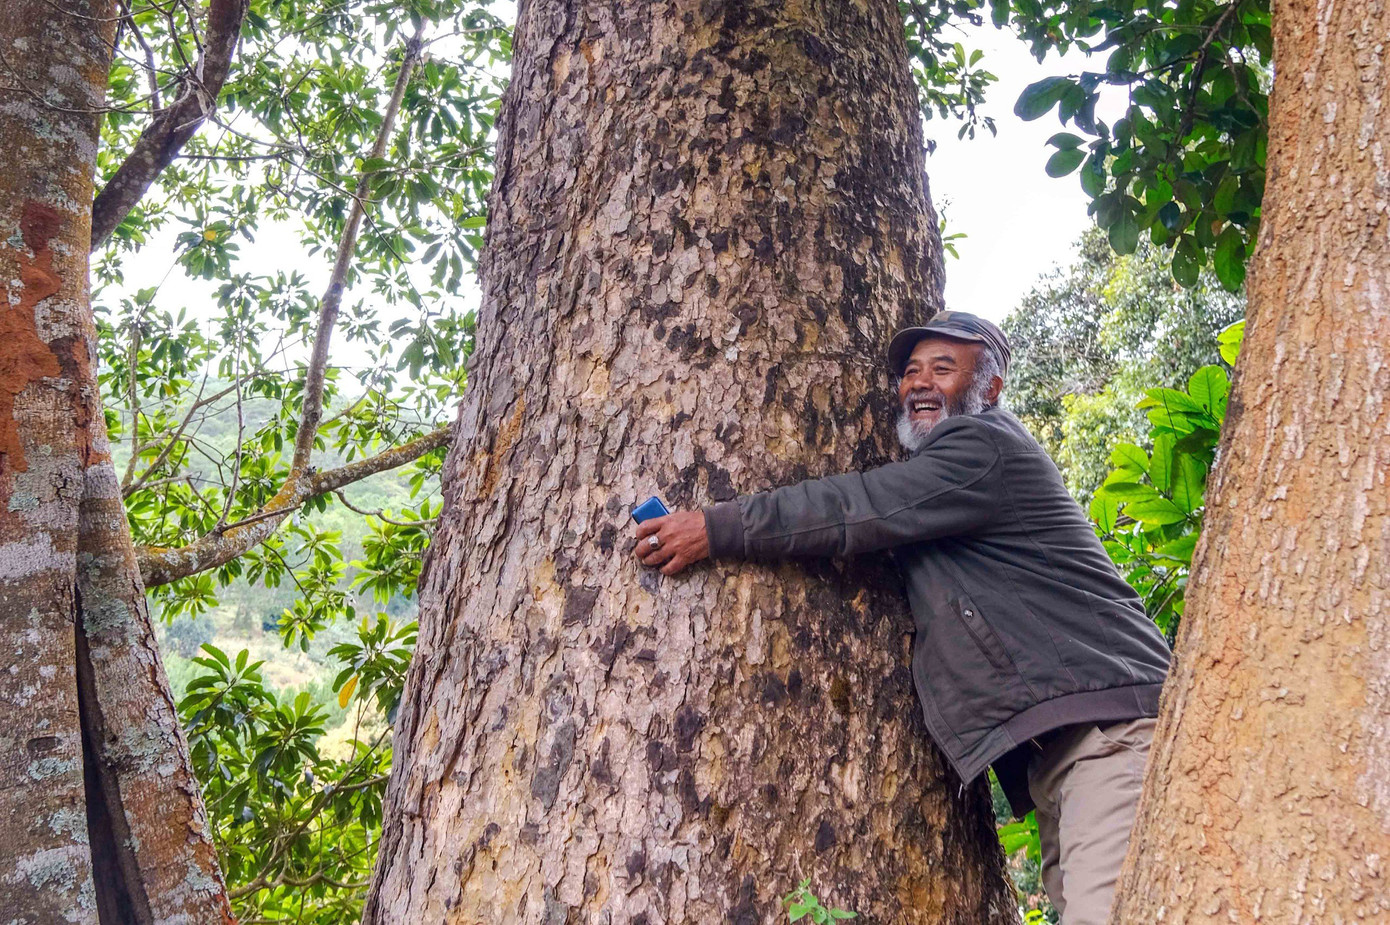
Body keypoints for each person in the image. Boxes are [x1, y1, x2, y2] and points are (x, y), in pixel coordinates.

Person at [633, 310, 1171, 924]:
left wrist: (717, 527)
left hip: (1110, 733)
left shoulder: (983, 445)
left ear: (989, 389)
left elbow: (859, 505)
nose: (920, 382)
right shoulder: (958, 478)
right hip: (1069, 749)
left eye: (944, 369)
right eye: (911, 370)